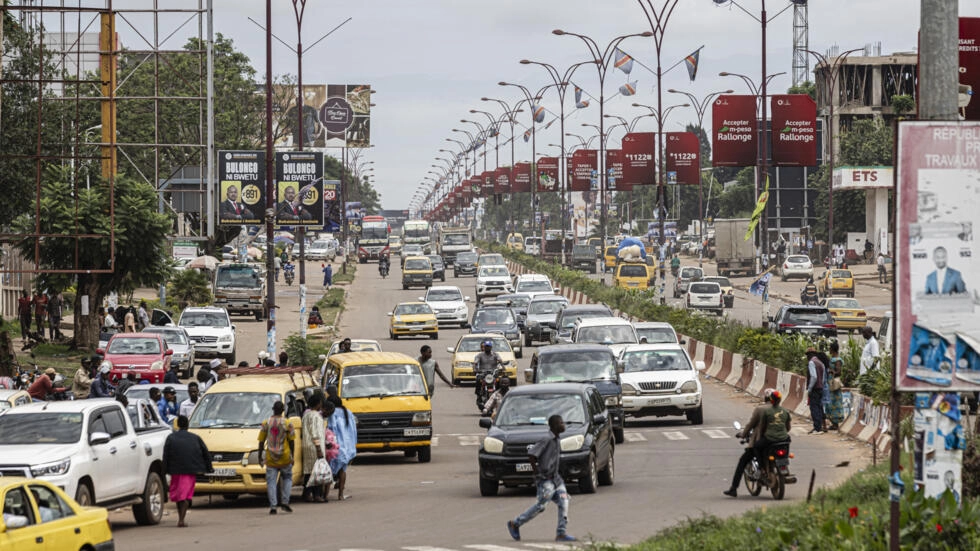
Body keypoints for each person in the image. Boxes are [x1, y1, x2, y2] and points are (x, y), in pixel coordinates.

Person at [507, 414, 575, 542]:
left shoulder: (556, 439)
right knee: (541, 506)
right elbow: (532, 454)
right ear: (554, 426)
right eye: (561, 423)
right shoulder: (547, 439)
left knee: (564, 501)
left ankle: (561, 533)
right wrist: (537, 472)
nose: (563, 425)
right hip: (546, 480)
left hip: (556, 479)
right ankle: (515, 524)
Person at [724, 389, 776, 497]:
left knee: (743, 460)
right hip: (778, 441)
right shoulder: (780, 410)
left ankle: (734, 488)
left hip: (762, 441)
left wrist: (743, 434)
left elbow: (751, 425)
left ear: (765, 398)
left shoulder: (760, 409)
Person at [163, 415, 212, 527]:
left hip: (175, 471)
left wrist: (164, 470)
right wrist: (209, 468)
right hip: (190, 471)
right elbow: (206, 453)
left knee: (178, 495)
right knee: (185, 496)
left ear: (178, 425)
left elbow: (165, 455)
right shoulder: (195, 438)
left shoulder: (171, 437)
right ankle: (181, 519)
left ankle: (181, 518)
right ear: (187, 425)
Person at [258, 400, 296, 514]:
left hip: (271, 457)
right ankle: (285, 502)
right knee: (288, 479)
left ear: (273, 409)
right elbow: (292, 442)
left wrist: (260, 456)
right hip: (285, 457)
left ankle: (273, 506)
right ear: (283, 411)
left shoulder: (266, 423)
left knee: (271, 482)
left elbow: (261, 441)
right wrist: (292, 456)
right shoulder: (288, 423)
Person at [325, 388, 356, 501]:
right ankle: (340, 495)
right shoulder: (348, 413)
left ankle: (326, 495)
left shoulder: (332, 414)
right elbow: (353, 431)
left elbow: (330, 429)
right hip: (347, 447)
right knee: (343, 471)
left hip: (334, 446)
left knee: (329, 471)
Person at [301, 392, 326, 503]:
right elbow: (315, 433)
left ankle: (306, 493)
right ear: (318, 404)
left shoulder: (306, 415)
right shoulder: (316, 416)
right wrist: (319, 448)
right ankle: (317, 495)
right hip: (314, 446)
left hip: (306, 445)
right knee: (317, 471)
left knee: (309, 472)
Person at [805, 347, 826, 434]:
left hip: (815, 388)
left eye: (807, 355)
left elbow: (814, 377)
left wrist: (809, 389)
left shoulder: (811, 363)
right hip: (821, 388)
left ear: (811, 355)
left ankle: (817, 427)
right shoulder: (821, 363)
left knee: (814, 407)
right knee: (819, 407)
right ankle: (820, 426)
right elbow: (823, 378)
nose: (807, 357)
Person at [827, 342, 845, 431]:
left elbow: (839, 372)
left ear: (833, 349)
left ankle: (835, 423)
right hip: (830, 384)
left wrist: (831, 371)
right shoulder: (832, 358)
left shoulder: (837, 360)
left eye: (830, 348)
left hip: (834, 386)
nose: (829, 350)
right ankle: (833, 423)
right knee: (830, 404)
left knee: (835, 404)